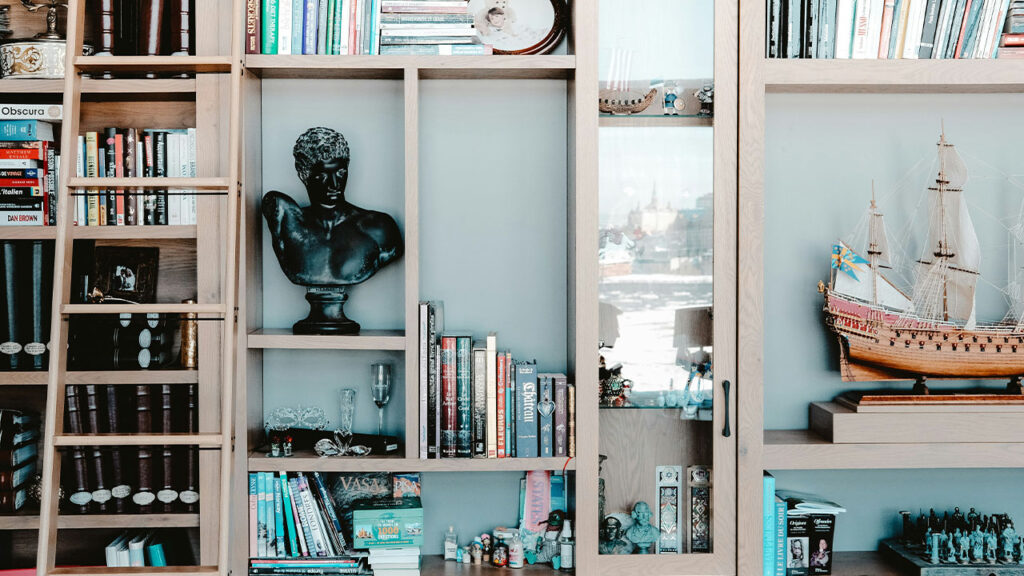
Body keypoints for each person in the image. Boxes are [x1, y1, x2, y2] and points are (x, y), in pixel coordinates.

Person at [262, 127, 403, 333]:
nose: (335, 184)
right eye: (322, 176)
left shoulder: (379, 227)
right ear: (304, 174)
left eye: (341, 172)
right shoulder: (286, 219)